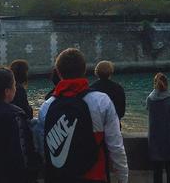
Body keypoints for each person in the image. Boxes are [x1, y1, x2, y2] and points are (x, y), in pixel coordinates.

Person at [38, 48, 128, 183]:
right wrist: (123, 178)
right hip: (93, 176)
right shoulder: (101, 101)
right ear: (85, 70)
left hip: (60, 177)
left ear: (58, 72)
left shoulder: (47, 106)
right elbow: (116, 146)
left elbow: (43, 148)